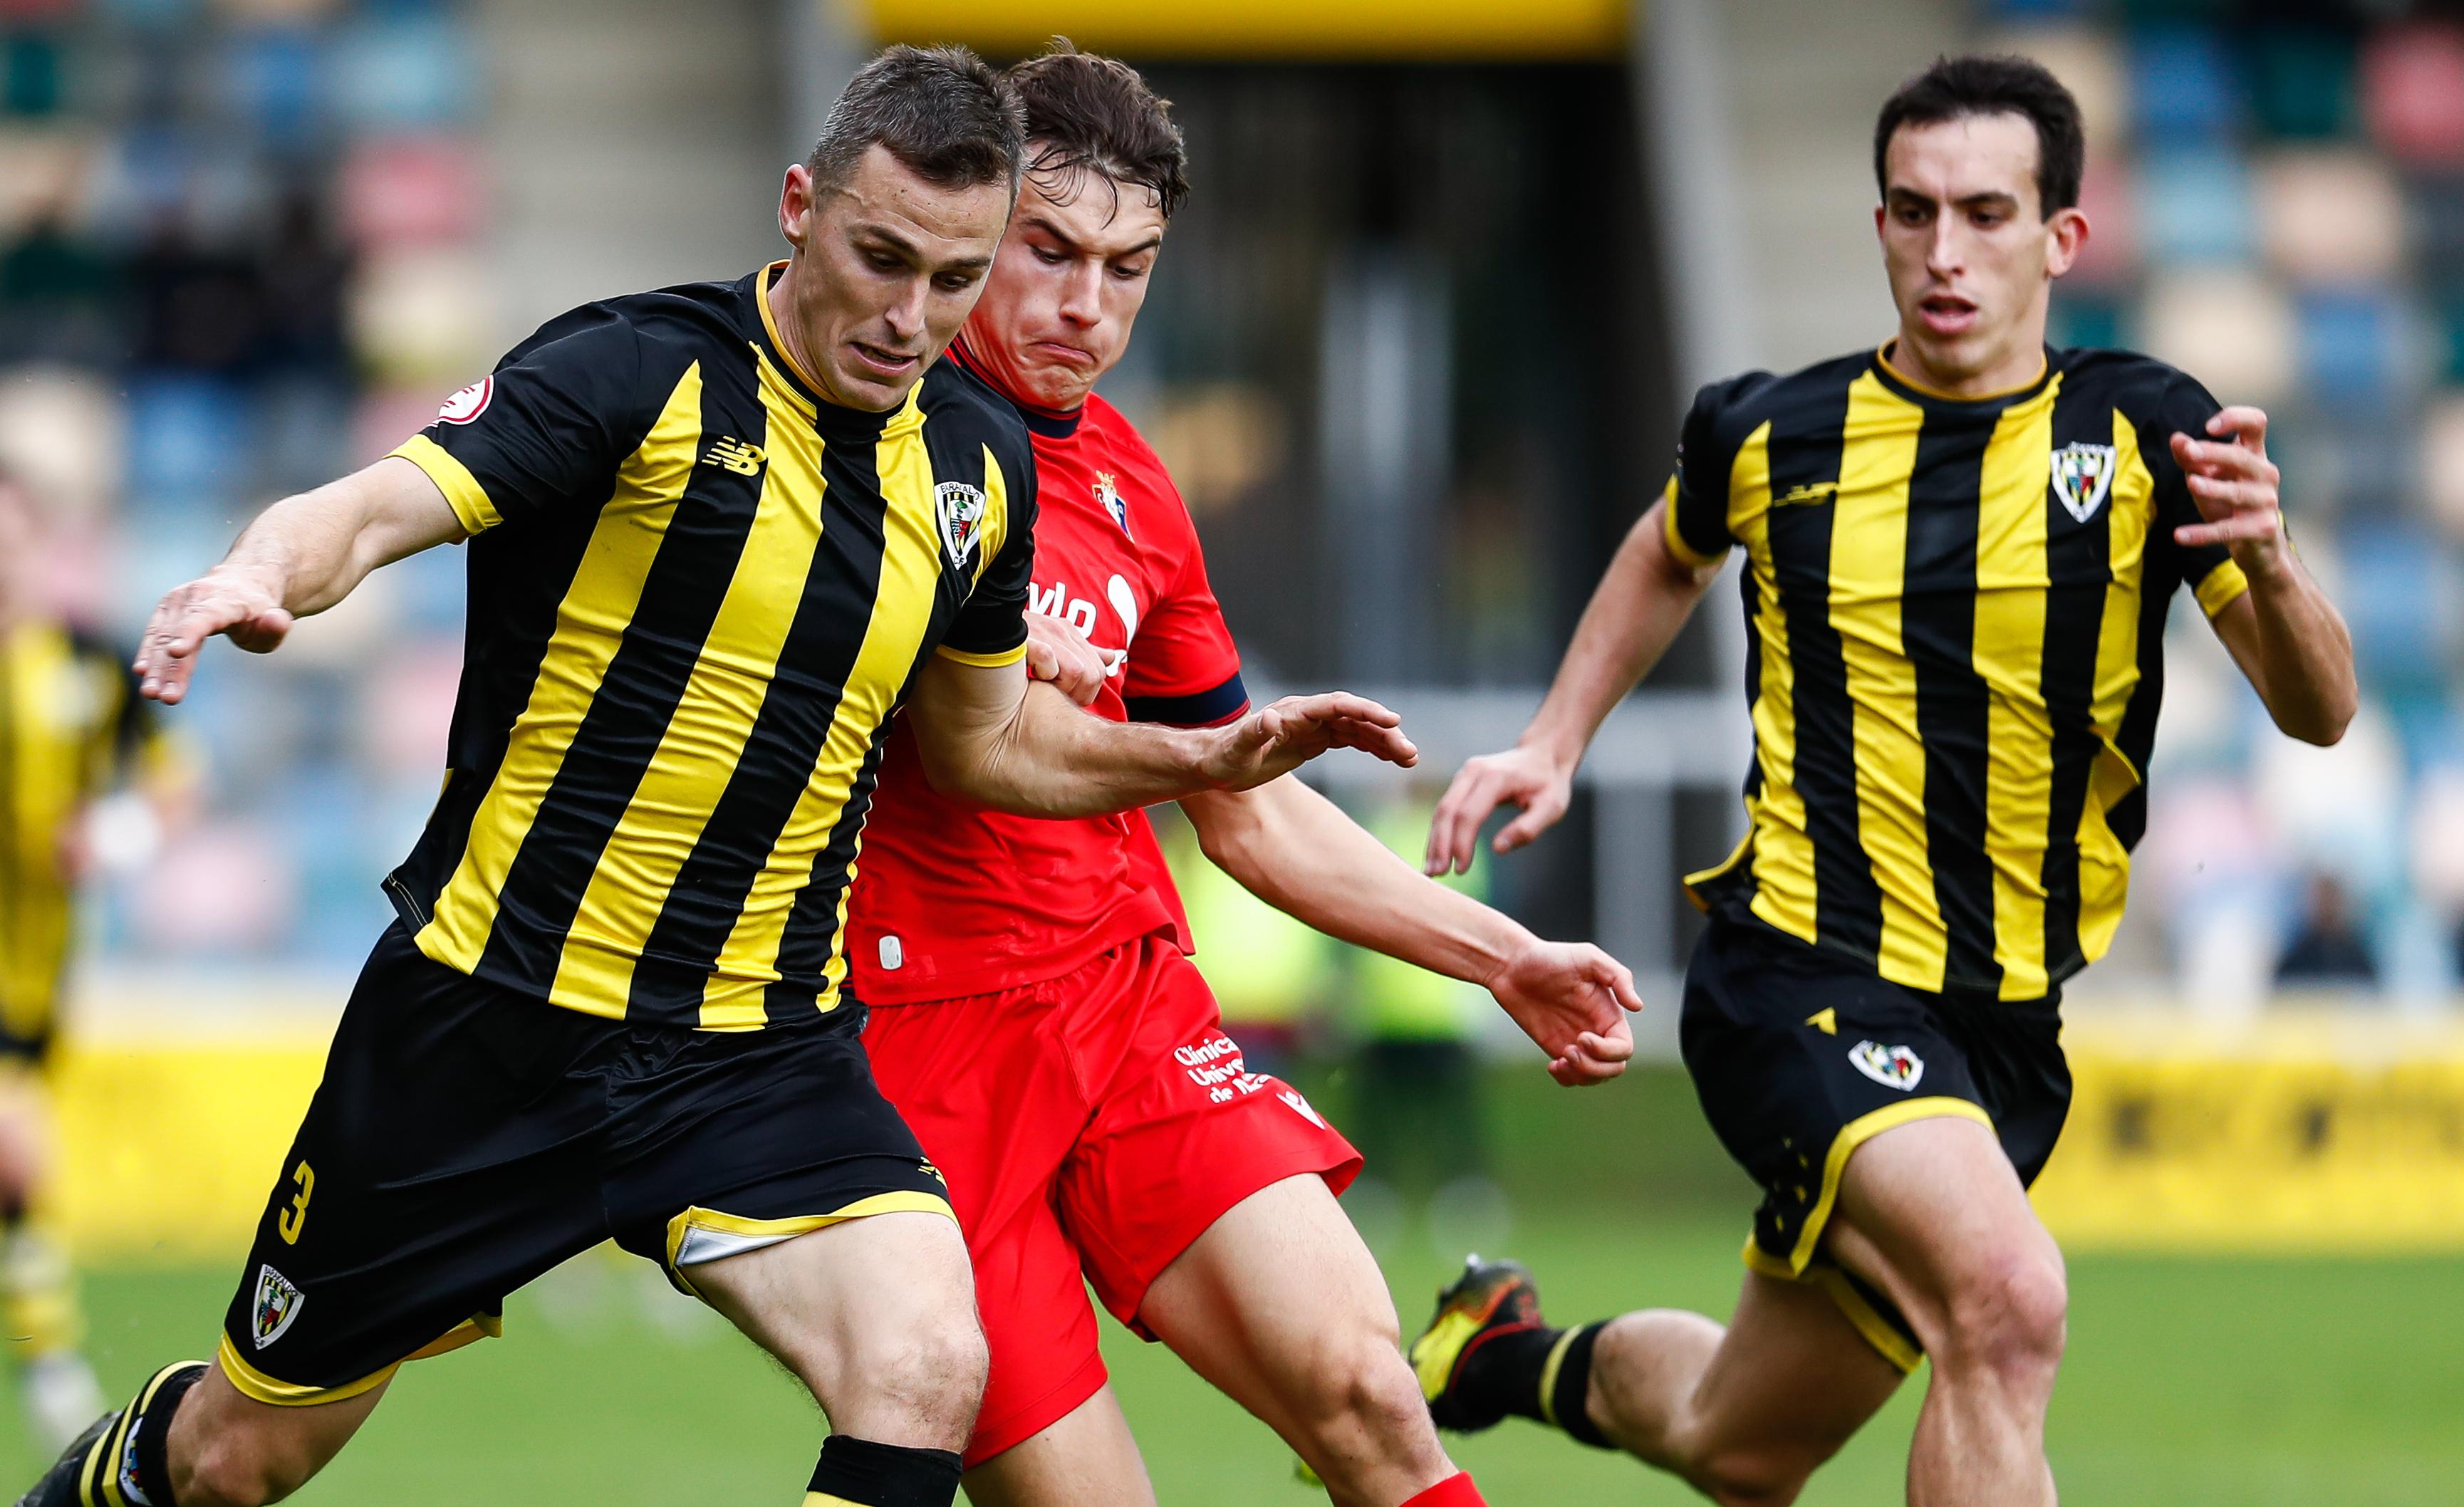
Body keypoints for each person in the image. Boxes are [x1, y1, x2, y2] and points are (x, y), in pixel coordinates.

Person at [19, 46, 1418, 1507]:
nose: (908, 316)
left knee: (924, 1361)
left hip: (752, 1045)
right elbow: (376, 508)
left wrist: (1200, 756)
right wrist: (259, 569)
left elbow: (982, 743)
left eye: (952, 279)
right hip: (486, 1022)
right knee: (241, 1456)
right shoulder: (635, 370)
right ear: (799, 205)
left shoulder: (974, 465)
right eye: (880, 258)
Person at [1410, 54, 2355, 1507]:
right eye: (1911, 212)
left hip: (1999, 1033)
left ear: (2060, 241)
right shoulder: (1770, 432)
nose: (1942, 250)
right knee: (2005, 1297)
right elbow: (1668, 544)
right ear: (1875, 225)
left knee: (1742, 1437)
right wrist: (1554, 735)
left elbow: (2318, 712)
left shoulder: (2145, 437)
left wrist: (2274, 567)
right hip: (1798, 974)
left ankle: (1497, 1353)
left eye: (1984, 212)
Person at [846, 46, 1639, 1507]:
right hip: (915, 1061)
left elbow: (1252, 815)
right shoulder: (862, 428)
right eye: (1050, 251)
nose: (1087, 307)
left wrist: (1504, 956)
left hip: (1119, 1003)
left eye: (1129, 267)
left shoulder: (1137, 488)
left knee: (1366, 1389)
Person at [0, 472, 182, 1451]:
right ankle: (53, 1357)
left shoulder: (88, 662)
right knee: (11, 1147)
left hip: (37, 969)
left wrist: (107, 838)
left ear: (38, 548)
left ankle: (48, 1355)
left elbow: (169, 788)